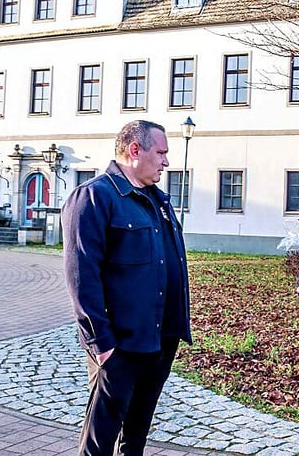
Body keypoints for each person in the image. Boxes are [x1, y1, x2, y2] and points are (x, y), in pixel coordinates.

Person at [62, 120, 191, 456]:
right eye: (161, 152)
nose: (166, 161)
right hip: (119, 345)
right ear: (135, 150)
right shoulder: (93, 197)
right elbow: (81, 277)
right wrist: (100, 344)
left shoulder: (157, 200)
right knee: (100, 441)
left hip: (159, 340)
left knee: (135, 437)